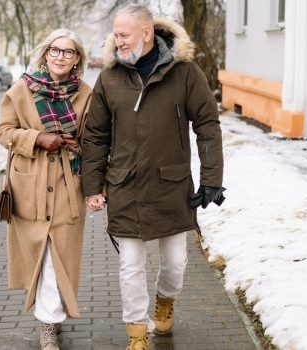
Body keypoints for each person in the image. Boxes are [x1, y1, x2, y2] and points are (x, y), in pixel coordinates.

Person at [81, 4, 225, 350]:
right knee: (130, 265)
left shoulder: (185, 73)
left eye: (124, 35)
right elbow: (96, 136)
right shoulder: (110, 77)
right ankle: (137, 333)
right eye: (115, 35)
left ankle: (165, 299)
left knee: (175, 264)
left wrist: (211, 179)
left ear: (147, 33)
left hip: (170, 185)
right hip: (125, 186)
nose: (118, 42)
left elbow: (207, 125)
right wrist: (93, 186)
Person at [0, 29, 91, 350]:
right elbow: (3, 131)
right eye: (55, 50)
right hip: (29, 184)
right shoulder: (22, 90)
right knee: (40, 253)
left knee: (58, 256)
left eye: (68, 52)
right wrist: (36, 138)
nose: (61, 57)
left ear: (77, 59)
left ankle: (49, 324)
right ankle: (49, 319)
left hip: (67, 184)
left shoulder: (86, 95)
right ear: (45, 53)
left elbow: (95, 139)